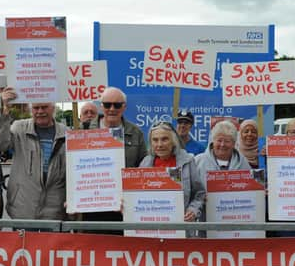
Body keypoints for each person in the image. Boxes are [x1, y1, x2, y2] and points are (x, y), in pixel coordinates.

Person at [0, 87, 67, 220]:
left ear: (53, 108)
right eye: (36, 108)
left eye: (44, 107)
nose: (40, 112)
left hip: (54, 212)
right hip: (22, 209)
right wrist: (4, 111)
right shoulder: (19, 127)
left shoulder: (66, 133)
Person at [84, 87, 147, 232]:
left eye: (117, 105)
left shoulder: (135, 133)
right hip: (91, 207)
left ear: (124, 107)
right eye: (107, 105)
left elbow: (143, 168)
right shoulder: (83, 131)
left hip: (123, 207)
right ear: (101, 106)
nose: (112, 109)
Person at [139, 122, 205, 223]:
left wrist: (193, 210)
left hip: (180, 226)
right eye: (155, 140)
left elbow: (199, 193)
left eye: (165, 139)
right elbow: (137, 196)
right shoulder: (145, 164)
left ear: (173, 141)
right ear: (151, 143)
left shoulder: (187, 161)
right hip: (151, 226)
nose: (159, 145)